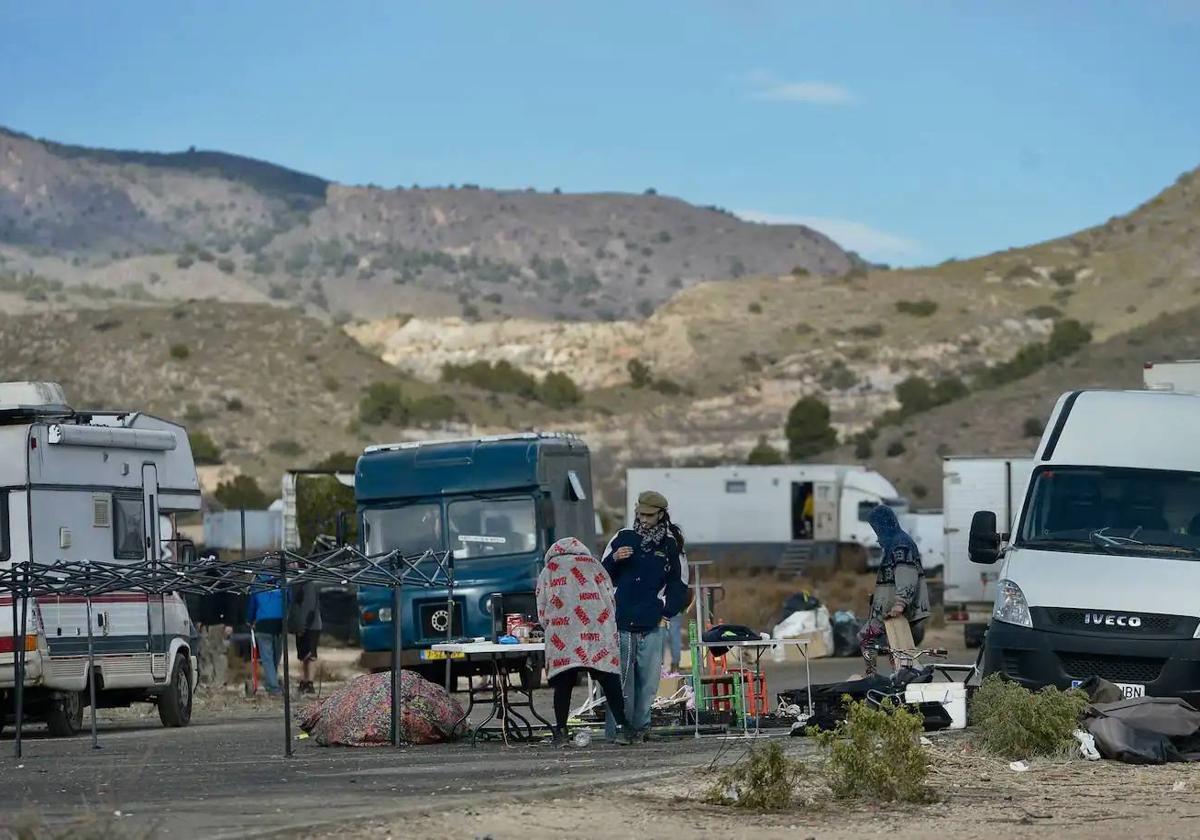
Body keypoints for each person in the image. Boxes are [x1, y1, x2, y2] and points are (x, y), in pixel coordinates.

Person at [601, 490, 688, 741]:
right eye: (640, 514)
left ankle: (640, 728)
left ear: (661, 514)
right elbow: (601, 575)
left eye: (649, 515)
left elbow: (679, 582)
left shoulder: (672, 545)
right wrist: (615, 559)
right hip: (621, 619)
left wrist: (667, 611)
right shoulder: (622, 538)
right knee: (620, 681)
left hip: (653, 621)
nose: (644, 519)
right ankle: (618, 728)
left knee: (648, 682)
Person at [536, 537, 634, 747]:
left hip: (564, 635)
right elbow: (610, 598)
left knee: (563, 684)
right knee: (609, 680)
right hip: (597, 631)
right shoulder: (595, 566)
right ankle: (622, 728)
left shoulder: (549, 570)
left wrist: (550, 628)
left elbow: (542, 608)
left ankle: (561, 731)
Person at [857, 505, 930, 675]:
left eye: (876, 527)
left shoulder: (900, 544)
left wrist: (900, 604)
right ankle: (898, 676)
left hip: (896, 610)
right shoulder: (895, 542)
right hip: (889, 608)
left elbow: (906, 574)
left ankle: (877, 675)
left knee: (869, 638)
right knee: (895, 647)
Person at [247, 572, 287, 695]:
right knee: (276, 655)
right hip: (280, 623)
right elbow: (289, 601)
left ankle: (273, 687)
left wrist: (249, 620)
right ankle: (272, 681)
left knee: (267, 657)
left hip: (263, 624)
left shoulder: (257, 586)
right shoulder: (283, 585)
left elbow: (252, 606)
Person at [663, 524, 691, 675]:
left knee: (660, 635)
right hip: (677, 602)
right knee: (674, 634)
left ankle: (660, 666)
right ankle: (675, 664)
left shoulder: (664, 551)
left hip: (663, 599)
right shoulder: (681, 553)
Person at [290, 575, 323, 696]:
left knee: (311, 655)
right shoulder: (297, 584)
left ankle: (310, 682)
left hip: (311, 625)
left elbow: (309, 607)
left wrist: (303, 626)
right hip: (304, 624)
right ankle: (305, 680)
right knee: (304, 655)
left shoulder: (307, 584)